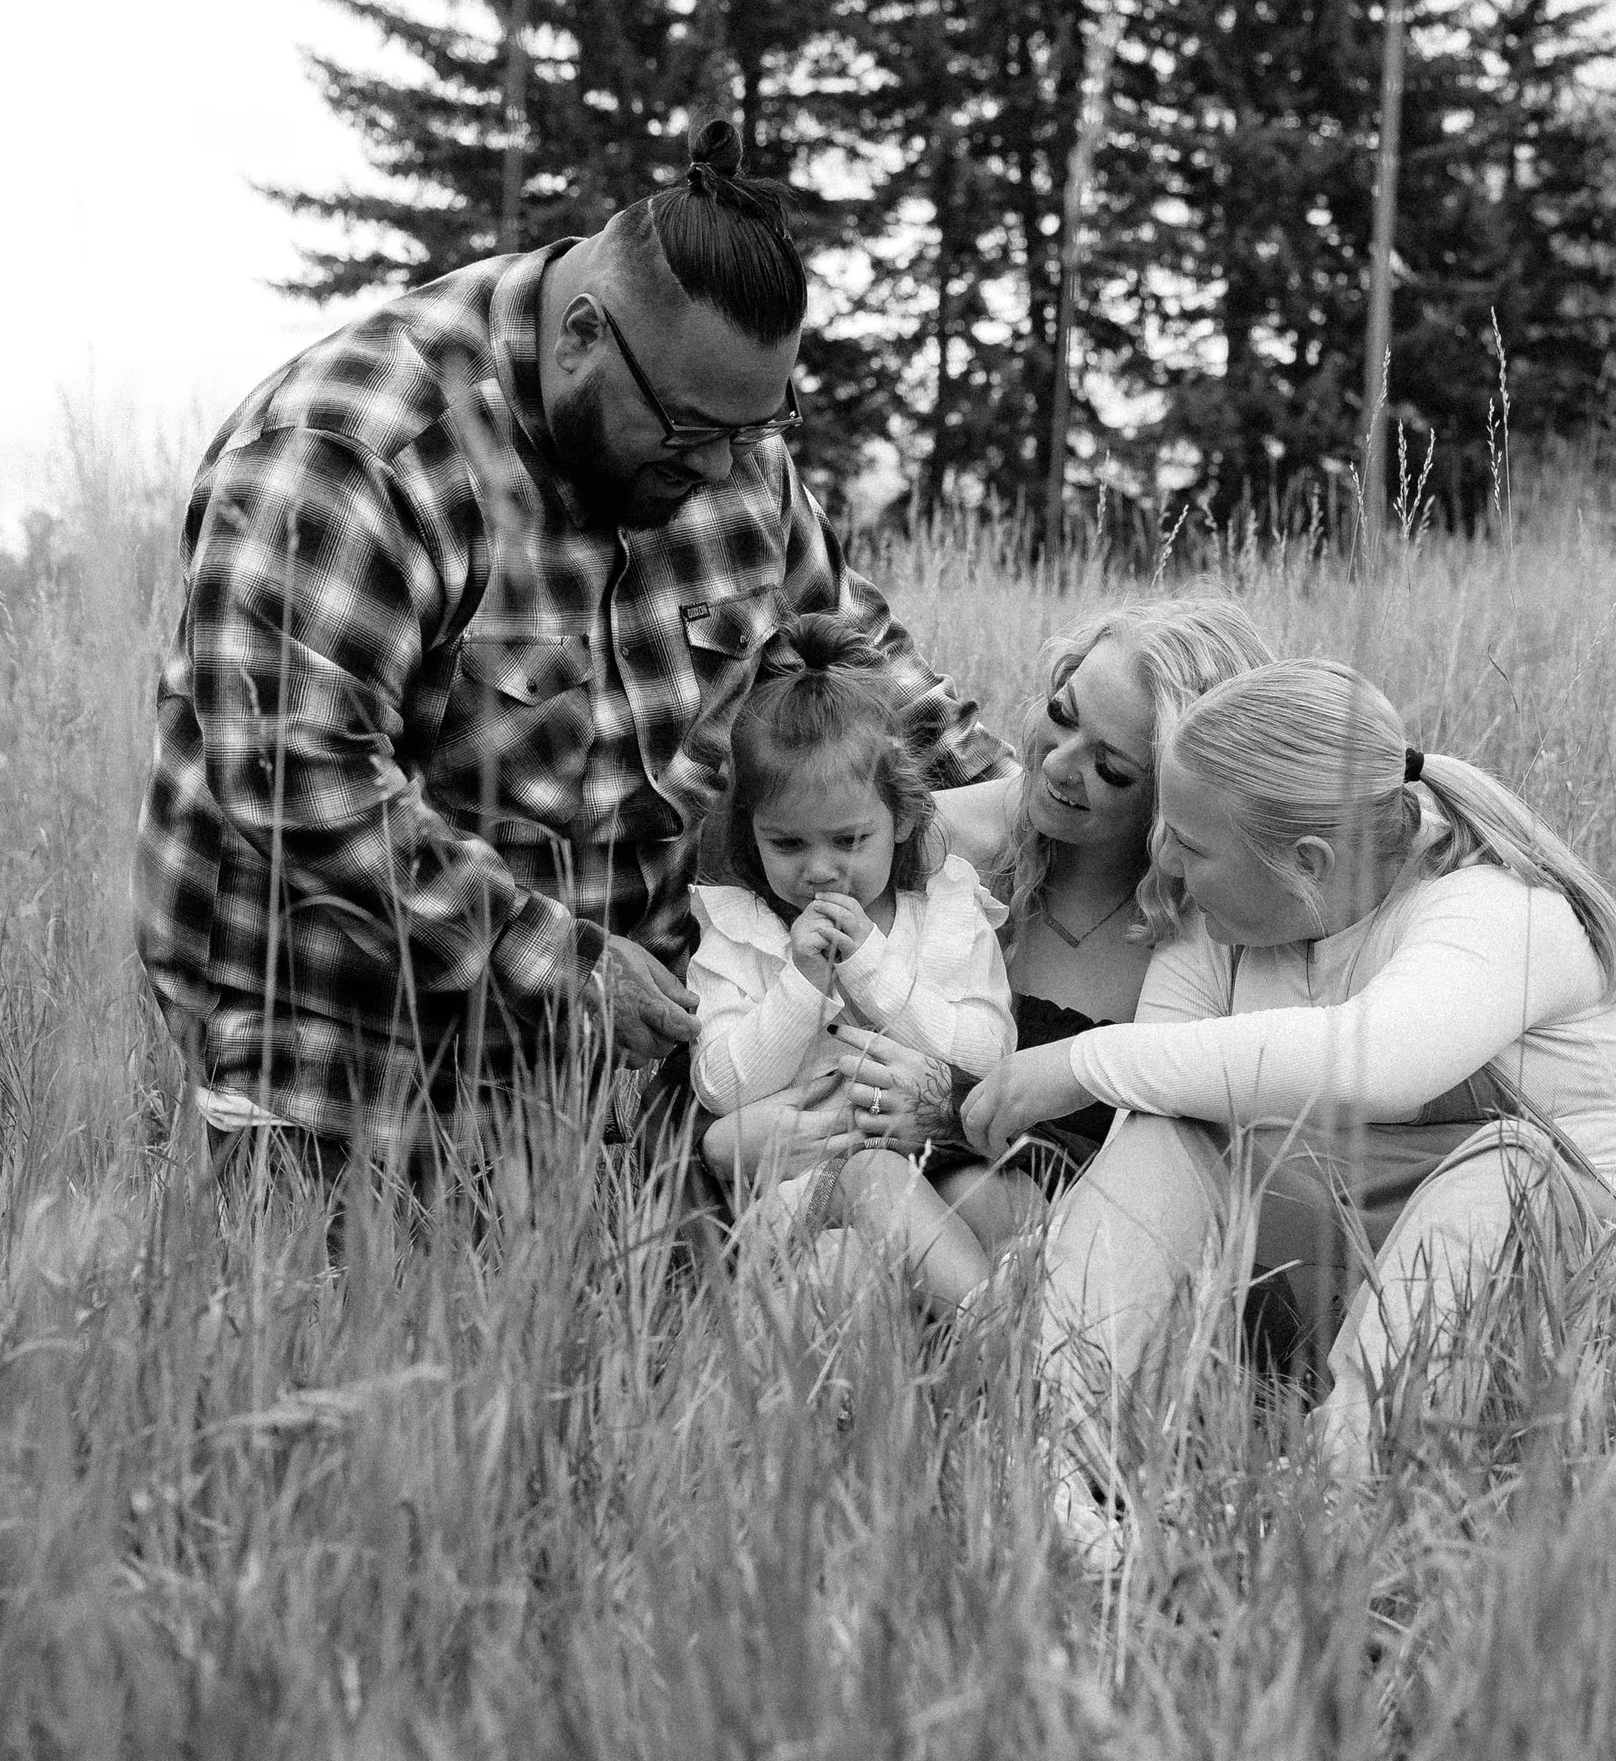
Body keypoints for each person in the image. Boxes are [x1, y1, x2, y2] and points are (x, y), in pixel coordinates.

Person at [133, 123, 1003, 1183]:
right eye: (692, 435)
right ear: (584, 334)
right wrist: (565, 968)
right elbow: (294, 782)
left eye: (759, 427)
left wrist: (1043, 801)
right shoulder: (351, 454)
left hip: (659, 1076)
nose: (729, 465)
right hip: (348, 1071)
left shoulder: (722, 439)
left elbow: (855, 662)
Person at [960, 659, 1616, 1486]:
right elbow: (1162, 1098)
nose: (1165, 865)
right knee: (1165, 1128)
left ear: (1310, 863)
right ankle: (1056, 1457)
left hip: (1529, 1324)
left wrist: (1083, 1061)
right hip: (1305, 1304)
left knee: (1508, 1173)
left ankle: (1338, 1490)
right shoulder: (1222, 925)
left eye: (1193, 844)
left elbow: (1381, 1061)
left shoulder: (1501, 909)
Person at [738, 595, 1276, 1246]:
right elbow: (755, 1002)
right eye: (1062, 714)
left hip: (1089, 1245)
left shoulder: (1215, 919)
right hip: (872, 1207)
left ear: (1179, 794)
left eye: (1109, 767)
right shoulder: (928, 848)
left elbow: (1206, 1168)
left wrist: (952, 1107)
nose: (1054, 765)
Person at [690, 619, 1013, 1301]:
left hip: (940, 1165)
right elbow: (720, 1086)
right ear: (749, 835)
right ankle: (1014, 1351)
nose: (819, 871)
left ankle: (986, 1359)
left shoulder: (946, 907)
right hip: (800, 1191)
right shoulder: (740, 929)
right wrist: (802, 985)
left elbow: (986, 1053)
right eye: (787, 845)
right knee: (873, 1180)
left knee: (1004, 1208)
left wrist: (870, 962)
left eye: (848, 840)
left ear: (900, 818)